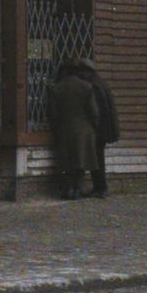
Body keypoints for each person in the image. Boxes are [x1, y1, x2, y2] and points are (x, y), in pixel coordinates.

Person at [66, 58, 121, 197]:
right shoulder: (100, 82)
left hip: (98, 127)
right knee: (98, 158)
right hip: (104, 126)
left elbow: (96, 110)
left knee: (97, 158)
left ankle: (100, 188)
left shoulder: (92, 85)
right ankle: (99, 188)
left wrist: (94, 126)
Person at [46, 64, 101, 199]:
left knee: (67, 161)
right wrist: (95, 127)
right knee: (81, 161)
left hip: (64, 129)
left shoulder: (56, 89)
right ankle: (77, 189)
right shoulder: (87, 87)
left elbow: (53, 113)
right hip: (84, 129)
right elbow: (94, 112)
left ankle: (68, 189)